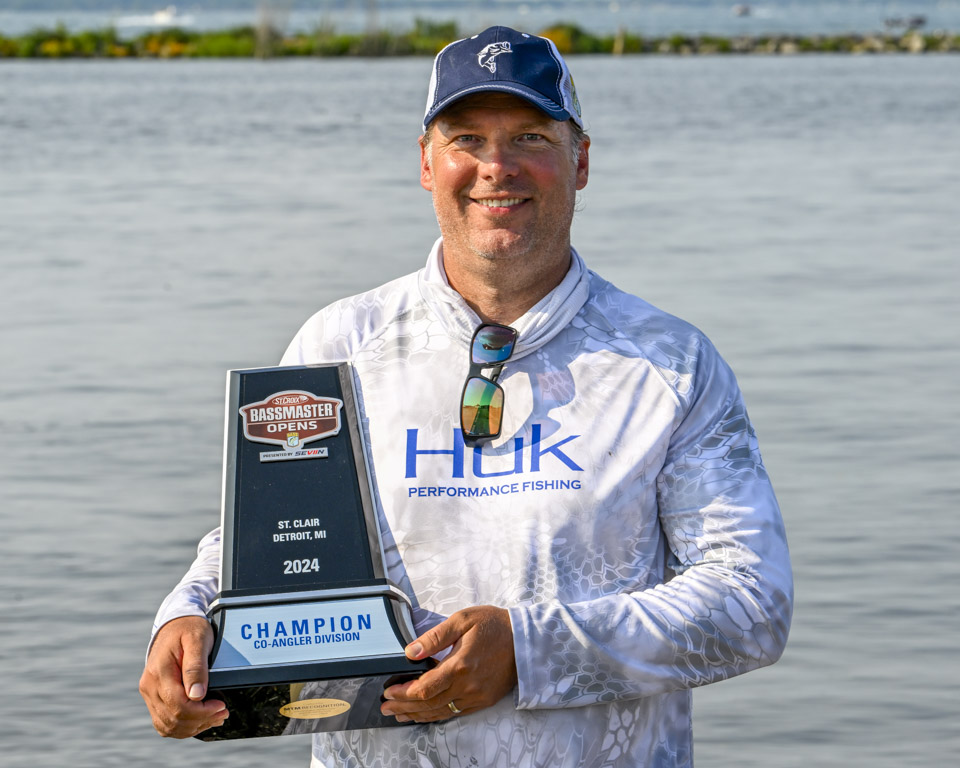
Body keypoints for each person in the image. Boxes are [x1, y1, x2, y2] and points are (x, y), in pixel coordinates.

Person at [139, 26, 793, 767]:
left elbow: (752, 601)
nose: (496, 167)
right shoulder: (339, 345)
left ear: (581, 160)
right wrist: (184, 618)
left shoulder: (670, 364)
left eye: (530, 138)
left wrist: (530, 652)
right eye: (466, 139)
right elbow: (262, 538)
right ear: (426, 162)